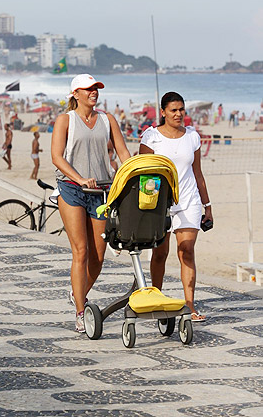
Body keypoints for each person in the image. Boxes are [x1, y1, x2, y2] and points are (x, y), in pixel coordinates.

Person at [51, 74, 130, 333]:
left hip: (101, 193)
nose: (94, 92)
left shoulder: (107, 120)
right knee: (81, 251)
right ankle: (80, 310)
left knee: (98, 256)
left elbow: (122, 152)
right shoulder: (65, 120)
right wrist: (79, 178)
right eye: (88, 89)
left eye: (96, 88)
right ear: (76, 94)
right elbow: (56, 156)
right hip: (71, 189)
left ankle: (78, 293)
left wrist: (130, 173)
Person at [139, 91, 213, 322]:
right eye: (173, 110)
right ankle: (156, 298)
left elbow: (198, 173)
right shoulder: (151, 137)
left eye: (181, 109)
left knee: (187, 250)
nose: (179, 114)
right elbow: (143, 175)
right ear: (163, 112)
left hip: (189, 200)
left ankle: (189, 304)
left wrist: (207, 205)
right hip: (160, 204)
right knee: (160, 253)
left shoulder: (192, 137)